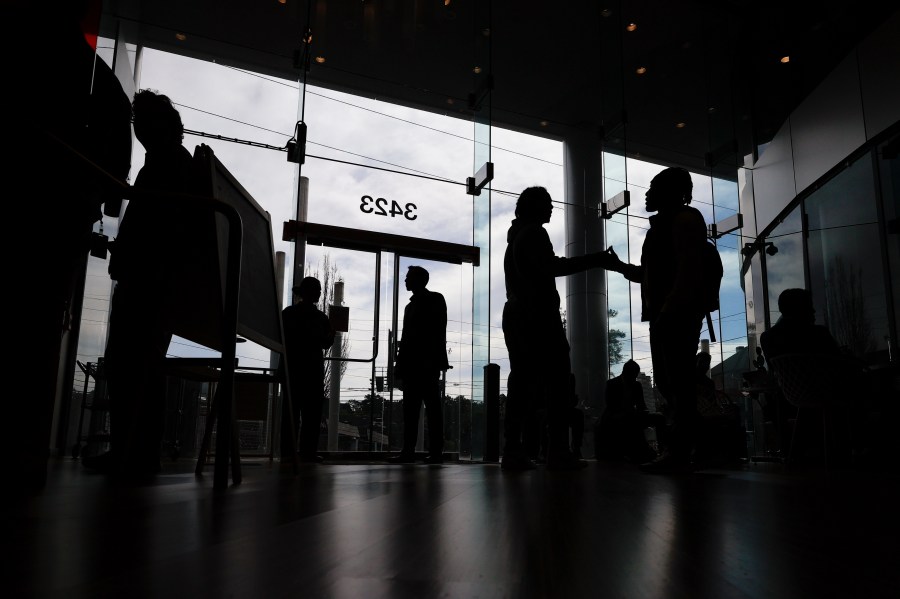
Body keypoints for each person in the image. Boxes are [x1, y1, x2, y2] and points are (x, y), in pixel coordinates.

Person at [13, 0, 133, 489]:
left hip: (52, 202)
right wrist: (101, 199)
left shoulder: (34, 56)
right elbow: (115, 163)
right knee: (42, 320)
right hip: (66, 208)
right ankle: (25, 447)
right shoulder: (99, 79)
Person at [83, 90, 198, 475]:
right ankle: (137, 452)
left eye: (146, 119)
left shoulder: (164, 166)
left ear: (165, 125)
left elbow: (159, 229)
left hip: (147, 279)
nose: (140, 127)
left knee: (128, 364)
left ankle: (129, 451)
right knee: (140, 367)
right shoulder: (173, 163)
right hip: (154, 278)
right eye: (139, 120)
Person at [601, 167, 711, 473]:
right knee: (670, 381)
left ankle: (680, 451)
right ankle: (690, 447)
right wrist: (619, 266)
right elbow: (650, 275)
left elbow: (687, 272)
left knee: (676, 382)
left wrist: (667, 311)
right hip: (667, 313)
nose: (647, 194)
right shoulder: (665, 226)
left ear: (671, 191)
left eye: (653, 188)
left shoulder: (684, 221)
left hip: (675, 313)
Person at [501, 186, 610, 471]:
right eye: (547, 204)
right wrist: (596, 259)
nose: (551, 208)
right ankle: (558, 451)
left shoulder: (514, 239)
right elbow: (551, 267)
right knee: (558, 384)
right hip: (537, 315)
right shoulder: (534, 233)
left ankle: (513, 448)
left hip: (517, 313)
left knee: (522, 384)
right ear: (534, 207)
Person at [390, 266, 450, 464]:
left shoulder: (424, 302)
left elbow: (427, 335)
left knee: (420, 410)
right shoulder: (431, 301)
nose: (405, 281)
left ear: (418, 280)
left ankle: (416, 451)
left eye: (408, 278)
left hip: (422, 364)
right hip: (424, 364)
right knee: (424, 410)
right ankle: (428, 452)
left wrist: (401, 366)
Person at [281, 277, 336, 463]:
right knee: (311, 414)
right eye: (318, 290)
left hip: (293, 368)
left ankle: (288, 452)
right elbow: (327, 342)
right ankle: (308, 452)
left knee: (291, 413)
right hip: (313, 370)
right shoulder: (321, 318)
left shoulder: (288, 313)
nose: (320, 293)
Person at [594, 359, 666, 463]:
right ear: (627, 373)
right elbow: (611, 406)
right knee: (633, 421)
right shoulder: (612, 384)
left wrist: (643, 411)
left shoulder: (635, 385)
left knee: (659, 418)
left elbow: (641, 405)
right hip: (617, 417)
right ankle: (648, 451)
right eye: (634, 375)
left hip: (631, 416)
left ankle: (661, 450)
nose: (635, 378)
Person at [692, 351, 745, 466]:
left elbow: (713, 402)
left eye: (707, 363)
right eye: (703, 363)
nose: (705, 366)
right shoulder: (696, 382)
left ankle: (732, 455)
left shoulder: (706, 382)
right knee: (733, 414)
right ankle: (732, 455)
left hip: (707, 412)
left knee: (733, 412)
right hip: (700, 413)